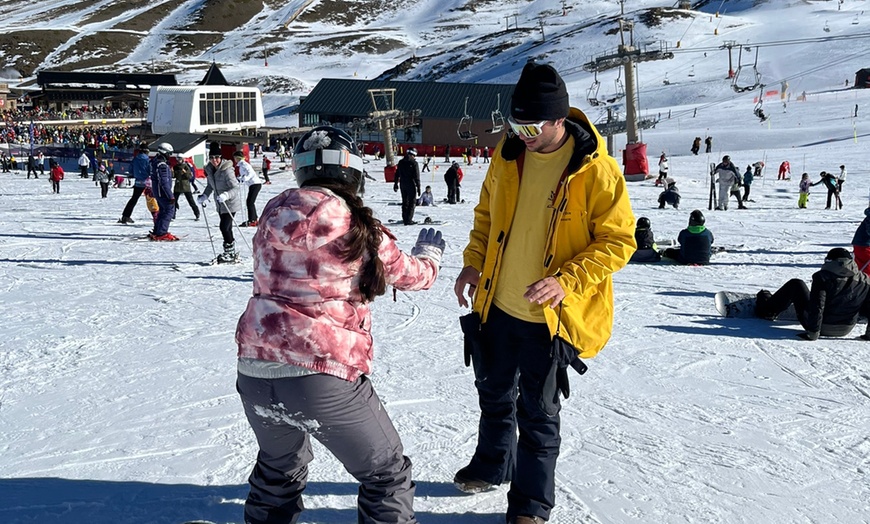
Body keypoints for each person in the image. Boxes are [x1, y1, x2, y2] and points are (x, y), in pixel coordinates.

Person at [452, 62, 636, 524]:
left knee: (538, 412)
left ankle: (530, 506)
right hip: (497, 303)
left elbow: (619, 241)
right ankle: (492, 465)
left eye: (532, 125)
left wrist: (565, 280)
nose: (522, 133)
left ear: (559, 120)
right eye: (515, 124)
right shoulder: (509, 154)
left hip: (551, 317)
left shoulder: (597, 171)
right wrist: (473, 263)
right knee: (493, 393)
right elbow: (486, 217)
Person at [235, 125, 443, 524]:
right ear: (353, 171)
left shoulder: (272, 214)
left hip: (255, 370)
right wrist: (429, 255)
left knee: (278, 471)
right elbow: (414, 276)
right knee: (386, 474)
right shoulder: (355, 225)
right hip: (321, 372)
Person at [756, 248, 870, 340]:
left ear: (829, 261)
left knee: (796, 284)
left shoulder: (822, 277)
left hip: (822, 327)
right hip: (846, 328)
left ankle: (768, 310)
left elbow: (818, 305)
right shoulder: (865, 279)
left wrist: (813, 333)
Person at [198, 144, 241, 263]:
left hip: (230, 203)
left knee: (224, 227)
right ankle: (230, 252)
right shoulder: (210, 170)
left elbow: (235, 188)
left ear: (221, 157)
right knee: (227, 228)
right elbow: (210, 186)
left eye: (217, 157)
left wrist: (226, 195)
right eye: (212, 157)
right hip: (220, 204)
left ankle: (229, 252)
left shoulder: (227, 170)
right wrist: (205, 195)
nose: (214, 160)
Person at [148, 142, 178, 241]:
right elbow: (164, 182)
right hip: (162, 192)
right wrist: (171, 196)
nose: (170, 156)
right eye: (169, 153)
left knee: (163, 211)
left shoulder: (155, 162)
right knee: (169, 210)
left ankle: (158, 230)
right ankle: (161, 232)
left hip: (158, 191)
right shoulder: (162, 165)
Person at [118, 146, 151, 224]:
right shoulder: (147, 160)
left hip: (138, 182)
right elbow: (150, 170)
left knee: (133, 199)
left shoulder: (135, 159)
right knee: (153, 199)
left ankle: (125, 216)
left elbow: (130, 169)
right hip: (147, 182)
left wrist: (134, 174)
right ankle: (159, 217)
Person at [234, 150, 262, 227]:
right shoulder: (241, 165)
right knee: (250, 202)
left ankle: (252, 220)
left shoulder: (244, 164)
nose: (234, 160)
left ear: (237, 158)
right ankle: (254, 218)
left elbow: (250, 173)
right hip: (253, 184)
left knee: (250, 202)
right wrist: (241, 178)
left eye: (235, 158)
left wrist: (245, 178)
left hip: (255, 184)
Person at [394, 148, 421, 225]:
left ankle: (405, 218)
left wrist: (395, 184)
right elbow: (416, 176)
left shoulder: (401, 162)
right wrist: (418, 187)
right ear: (413, 155)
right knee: (412, 202)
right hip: (410, 183)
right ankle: (409, 219)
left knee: (405, 201)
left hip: (402, 184)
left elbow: (397, 174)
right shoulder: (414, 163)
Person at [172, 156, 200, 221]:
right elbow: (173, 176)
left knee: (191, 201)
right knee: (173, 202)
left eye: (179, 159)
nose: (178, 160)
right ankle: (172, 215)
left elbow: (190, 176)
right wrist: (172, 172)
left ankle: (197, 214)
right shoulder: (175, 167)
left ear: (182, 160)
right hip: (177, 187)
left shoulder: (186, 166)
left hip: (186, 187)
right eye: (177, 159)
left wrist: (185, 172)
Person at [852, 208, 870, 275]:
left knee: (862, 265)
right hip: (863, 245)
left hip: (862, 244)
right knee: (866, 267)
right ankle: (864, 282)